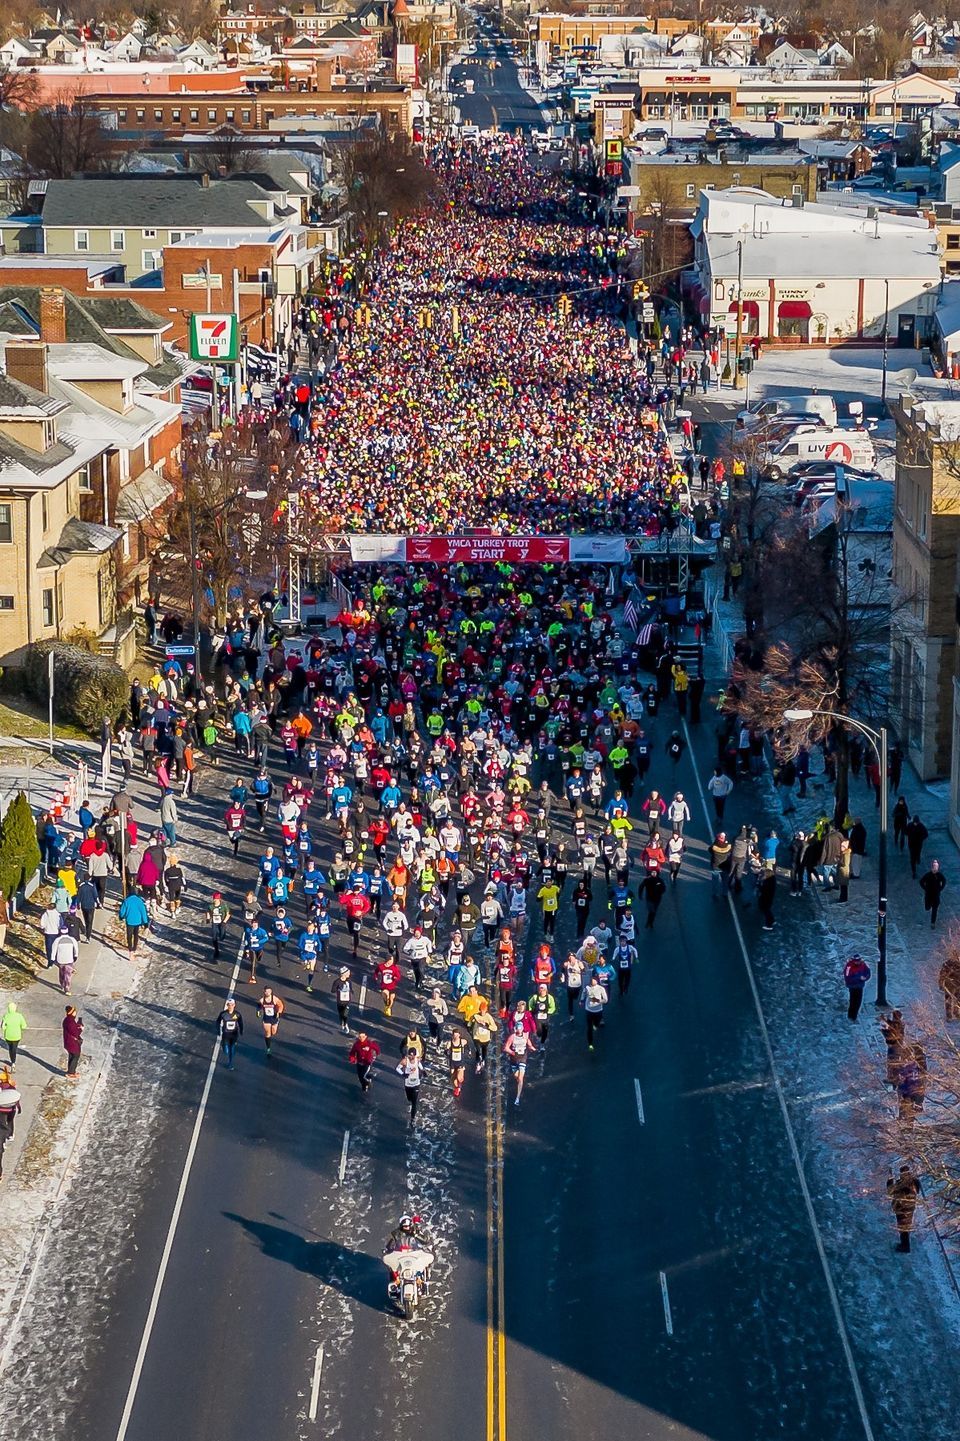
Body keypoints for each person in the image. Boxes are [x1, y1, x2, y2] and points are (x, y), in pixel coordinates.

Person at [887, 1165, 921, 1253]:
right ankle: (905, 1245)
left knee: (903, 1228)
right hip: (909, 1208)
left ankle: (905, 1247)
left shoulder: (902, 1184)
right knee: (905, 1227)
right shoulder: (914, 1182)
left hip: (902, 1208)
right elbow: (917, 1189)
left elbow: (890, 1191)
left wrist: (890, 1179)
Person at [503, 1024, 538, 1106]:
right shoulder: (512, 1037)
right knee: (517, 1077)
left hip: (523, 1058)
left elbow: (529, 1044)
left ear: (522, 1029)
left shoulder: (525, 1036)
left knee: (520, 1077)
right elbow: (506, 1047)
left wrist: (532, 1048)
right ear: (516, 1029)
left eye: (520, 1029)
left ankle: (517, 1098)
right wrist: (511, 1052)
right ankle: (521, 1086)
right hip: (514, 1058)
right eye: (518, 1029)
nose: (519, 1030)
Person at [581, 971, 608, 1050]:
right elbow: (583, 994)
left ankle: (595, 1025)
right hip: (589, 1010)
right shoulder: (587, 988)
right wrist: (582, 1001)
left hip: (598, 1010)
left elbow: (606, 1000)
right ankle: (590, 1044)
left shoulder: (601, 988)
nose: (592, 981)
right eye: (591, 980)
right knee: (589, 1028)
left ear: (597, 981)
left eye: (594, 980)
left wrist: (598, 1001)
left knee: (597, 1023)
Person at [396, 1047, 424, 1124]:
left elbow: (420, 1065)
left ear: (415, 1055)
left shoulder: (417, 1060)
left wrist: (423, 1071)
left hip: (416, 1084)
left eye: (413, 1055)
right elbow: (397, 1069)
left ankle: (412, 1119)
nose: (411, 1057)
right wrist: (403, 1074)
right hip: (408, 1084)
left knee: (414, 1102)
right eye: (410, 1055)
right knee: (409, 1099)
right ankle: (411, 1104)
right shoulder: (405, 1061)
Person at [119, 887, 150, 953]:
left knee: (129, 935)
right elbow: (143, 912)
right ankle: (134, 947)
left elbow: (122, 911)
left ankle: (130, 948)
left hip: (129, 921)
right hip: (137, 921)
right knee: (136, 934)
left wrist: (121, 917)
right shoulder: (139, 901)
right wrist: (145, 923)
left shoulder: (126, 900)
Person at [843, 953, 871, 1021]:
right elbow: (847, 977)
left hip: (860, 986)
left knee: (858, 1002)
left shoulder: (864, 965)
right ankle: (851, 1016)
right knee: (853, 1002)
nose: (857, 962)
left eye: (858, 960)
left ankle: (854, 1016)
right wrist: (859, 978)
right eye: (856, 961)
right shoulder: (849, 966)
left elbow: (868, 973)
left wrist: (865, 978)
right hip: (852, 987)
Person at [51, 927, 79, 995]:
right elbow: (76, 949)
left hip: (60, 960)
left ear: (60, 932)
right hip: (69, 959)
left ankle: (62, 983)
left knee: (62, 972)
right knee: (68, 974)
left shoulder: (57, 940)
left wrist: (52, 958)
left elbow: (54, 950)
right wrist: (75, 956)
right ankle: (67, 988)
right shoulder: (72, 939)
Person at [217, 997, 243, 1069]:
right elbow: (218, 1021)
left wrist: (241, 1030)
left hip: (234, 1034)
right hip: (226, 1034)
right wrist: (218, 1031)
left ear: (234, 1005)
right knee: (226, 1050)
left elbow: (240, 1022)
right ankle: (224, 1045)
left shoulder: (237, 1014)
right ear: (227, 1005)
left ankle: (230, 1063)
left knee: (232, 1049)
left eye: (232, 1004)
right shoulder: (223, 1014)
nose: (230, 1006)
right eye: (229, 1004)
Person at [920, 859, 947, 927]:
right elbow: (921, 881)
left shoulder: (939, 875)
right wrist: (925, 888)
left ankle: (933, 923)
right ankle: (928, 906)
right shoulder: (928, 875)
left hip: (936, 895)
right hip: (929, 894)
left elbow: (944, 881)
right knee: (927, 907)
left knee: (935, 909)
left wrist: (940, 888)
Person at [257, 987, 284, 1054]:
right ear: (264, 992)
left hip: (274, 1018)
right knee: (267, 1033)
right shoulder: (262, 1000)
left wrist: (279, 1013)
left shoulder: (274, 999)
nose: (267, 993)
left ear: (271, 991)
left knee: (273, 1032)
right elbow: (258, 1006)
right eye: (266, 991)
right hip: (266, 1019)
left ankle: (270, 1036)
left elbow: (281, 1005)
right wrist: (258, 1011)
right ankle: (268, 1049)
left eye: (269, 991)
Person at [447, 1026, 470, 1097]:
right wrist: (447, 1052)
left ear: (459, 1035)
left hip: (460, 1062)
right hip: (453, 1063)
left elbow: (467, 1044)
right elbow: (446, 1051)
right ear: (452, 1035)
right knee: (453, 1078)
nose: (456, 1036)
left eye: (457, 1035)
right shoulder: (449, 1043)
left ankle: (458, 1088)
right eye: (454, 1035)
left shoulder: (462, 1041)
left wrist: (468, 1051)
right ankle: (456, 1087)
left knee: (459, 1077)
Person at [938, 947, 960, 1021]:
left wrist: (941, 983)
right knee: (957, 998)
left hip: (949, 984)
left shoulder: (947, 963)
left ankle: (950, 1015)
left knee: (949, 999)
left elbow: (942, 974)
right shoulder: (952, 964)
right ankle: (955, 1013)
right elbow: (942, 974)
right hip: (955, 983)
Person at [1, 1001, 26, 1068]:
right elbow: (24, 1026)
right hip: (17, 1036)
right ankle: (13, 1063)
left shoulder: (6, 1016)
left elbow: (3, 1027)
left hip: (8, 1036)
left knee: (10, 1049)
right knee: (14, 1048)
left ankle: (12, 1061)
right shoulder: (19, 1016)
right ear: (15, 1008)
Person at [62, 1004, 83, 1078]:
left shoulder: (67, 1020)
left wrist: (78, 1025)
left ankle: (71, 1071)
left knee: (71, 1056)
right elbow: (76, 1033)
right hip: (72, 1043)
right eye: (74, 1011)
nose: (75, 1013)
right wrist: (80, 1028)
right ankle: (71, 1073)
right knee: (75, 1056)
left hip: (68, 1042)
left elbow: (72, 1029)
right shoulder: (70, 1022)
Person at [906, 815, 929, 879]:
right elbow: (906, 832)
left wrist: (921, 838)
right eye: (915, 822)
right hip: (912, 844)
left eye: (917, 822)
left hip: (918, 844)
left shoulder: (921, 826)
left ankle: (918, 858)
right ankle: (914, 872)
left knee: (918, 853)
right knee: (912, 858)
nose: (916, 823)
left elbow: (926, 834)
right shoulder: (910, 825)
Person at [332, 967, 352, 1034]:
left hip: (347, 1001)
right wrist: (339, 989)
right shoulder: (337, 982)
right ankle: (343, 1023)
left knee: (345, 1014)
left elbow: (350, 988)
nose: (349, 973)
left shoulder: (349, 981)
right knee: (341, 1014)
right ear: (343, 974)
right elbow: (333, 990)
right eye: (348, 972)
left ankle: (346, 1025)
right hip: (340, 1001)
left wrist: (351, 991)